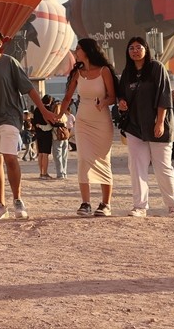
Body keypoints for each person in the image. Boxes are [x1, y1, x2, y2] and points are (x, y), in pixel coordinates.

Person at [0, 28, 56, 221]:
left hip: (9, 118)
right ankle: (0, 205)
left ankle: (18, 200)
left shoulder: (9, 63)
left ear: (0, 43)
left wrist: (44, 110)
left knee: (10, 158)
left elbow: (29, 89)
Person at [117, 37, 174, 218]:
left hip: (157, 125)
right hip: (135, 127)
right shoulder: (127, 72)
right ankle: (140, 206)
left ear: (146, 49)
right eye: (131, 48)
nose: (135, 51)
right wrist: (121, 102)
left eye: (139, 47)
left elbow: (163, 95)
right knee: (136, 166)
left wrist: (160, 121)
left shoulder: (156, 68)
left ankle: (173, 205)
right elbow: (122, 95)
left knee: (162, 167)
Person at [56, 38, 116, 217]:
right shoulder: (77, 73)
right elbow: (67, 98)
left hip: (102, 121)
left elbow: (112, 96)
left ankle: (106, 204)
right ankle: (85, 203)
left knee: (104, 160)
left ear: (88, 50)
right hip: (83, 121)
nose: (75, 51)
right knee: (83, 159)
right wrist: (57, 117)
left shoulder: (104, 71)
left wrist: (104, 102)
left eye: (78, 48)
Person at [32, 95, 56, 179]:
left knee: (41, 153)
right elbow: (52, 123)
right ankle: (45, 173)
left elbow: (33, 121)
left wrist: (38, 126)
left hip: (39, 133)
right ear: (50, 101)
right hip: (47, 133)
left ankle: (41, 172)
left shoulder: (36, 109)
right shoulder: (48, 110)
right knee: (45, 154)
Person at [52, 106, 72, 179]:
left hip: (57, 137)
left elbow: (52, 124)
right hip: (65, 138)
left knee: (58, 156)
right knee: (64, 156)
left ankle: (60, 174)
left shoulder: (54, 117)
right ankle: (64, 172)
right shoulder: (64, 116)